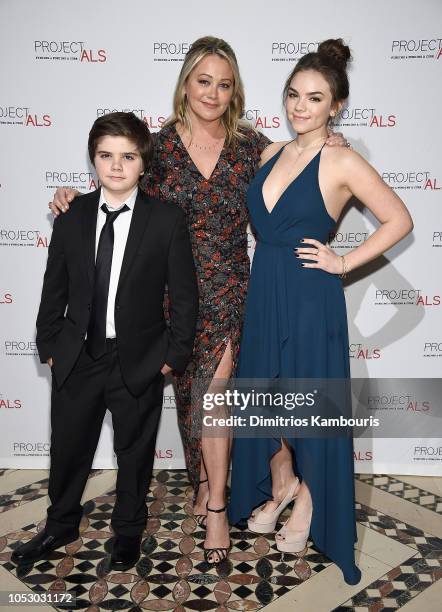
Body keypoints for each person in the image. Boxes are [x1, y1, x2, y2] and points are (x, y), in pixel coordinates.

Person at [48, 36, 347, 564]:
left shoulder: (253, 146)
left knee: (216, 393)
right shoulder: (158, 147)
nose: (213, 92)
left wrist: (335, 144)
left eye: (224, 84)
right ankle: (213, 478)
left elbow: (306, 162)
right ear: (185, 82)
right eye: (203, 80)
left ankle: (214, 505)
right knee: (192, 402)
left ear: (236, 92)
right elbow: (118, 183)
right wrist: (74, 198)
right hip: (169, 296)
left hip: (234, 286)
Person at [228, 39, 413, 584]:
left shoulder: (344, 159)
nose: (300, 107)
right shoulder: (267, 154)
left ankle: (309, 502)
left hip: (311, 297)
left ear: (336, 105)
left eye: (314, 98)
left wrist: (345, 261)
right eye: (292, 95)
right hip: (265, 293)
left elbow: (398, 220)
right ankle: (284, 485)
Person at [12, 112, 198, 570]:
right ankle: (59, 523)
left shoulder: (166, 220)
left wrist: (170, 358)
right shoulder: (71, 214)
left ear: (143, 163)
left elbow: (186, 295)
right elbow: (53, 287)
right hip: (77, 355)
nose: (116, 167)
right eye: (106, 156)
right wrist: (51, 347)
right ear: (93, 160)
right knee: (68, 446)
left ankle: (129, 531)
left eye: (127, 157)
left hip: (139, 359)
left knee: (135, 452)